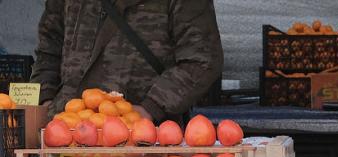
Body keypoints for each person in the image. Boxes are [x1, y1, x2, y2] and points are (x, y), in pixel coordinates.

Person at [30, 0, 223, 122]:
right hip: (64, 129)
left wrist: (151, 107)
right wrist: (44, 98)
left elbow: (202, 59)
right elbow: (50, 45)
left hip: (139, 138)